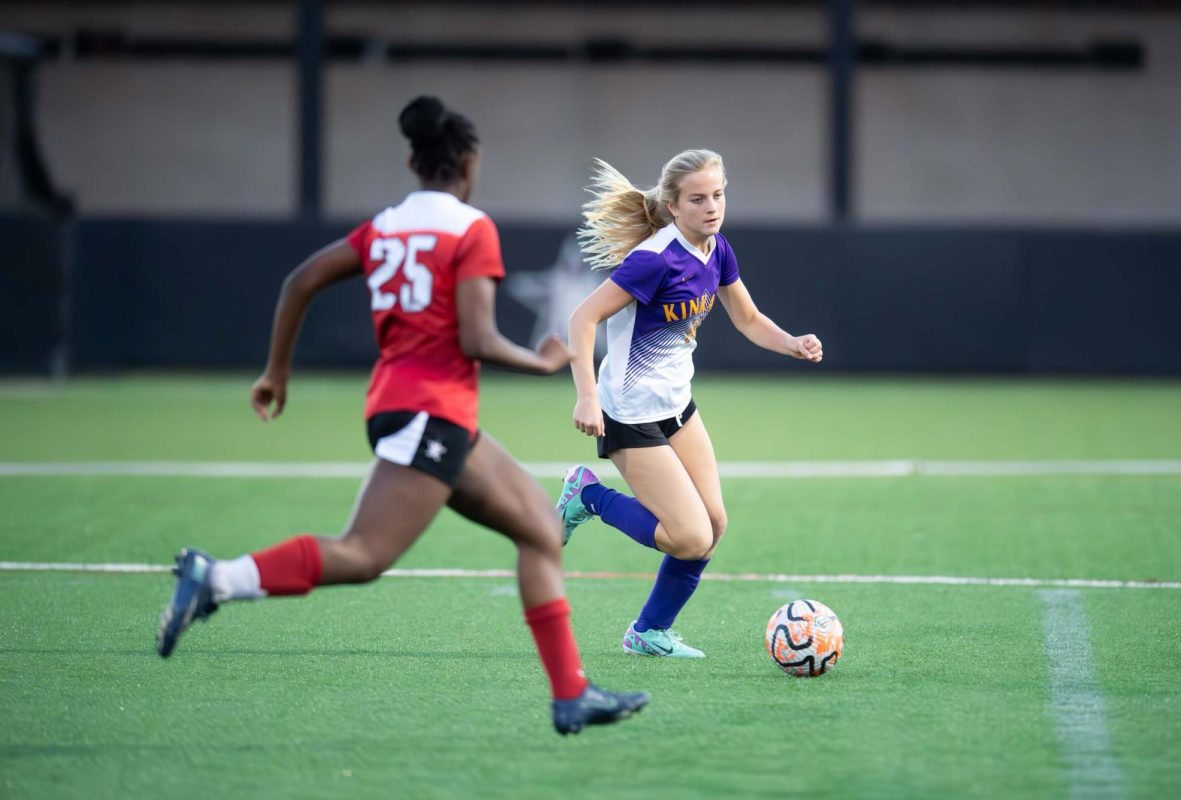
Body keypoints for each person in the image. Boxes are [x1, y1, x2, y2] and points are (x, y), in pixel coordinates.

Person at [155, 95, 649, 735]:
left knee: (536, 528)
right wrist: (543, 361)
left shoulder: (385, 226)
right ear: (467, 164)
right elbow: (475, 339)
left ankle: (570, 694)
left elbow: (300, 281)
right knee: (363, 555)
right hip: (428, 414)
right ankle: (215, 578)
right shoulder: (471, 229)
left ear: (414, 160)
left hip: (421, 411)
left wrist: (276, 370)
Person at [555, 150, 823, 658]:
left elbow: (747, 318)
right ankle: (587, 496)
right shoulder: (653, 259)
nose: (711, 207)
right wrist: (587, 397)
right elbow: (581, 320)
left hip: (678, 408)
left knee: (714, 526)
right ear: (673, 207)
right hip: (630, 414)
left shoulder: (718, 250)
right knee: (689, 537)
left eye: (718, 195)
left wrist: (791, 342)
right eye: (697, 199)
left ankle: (648, 631)